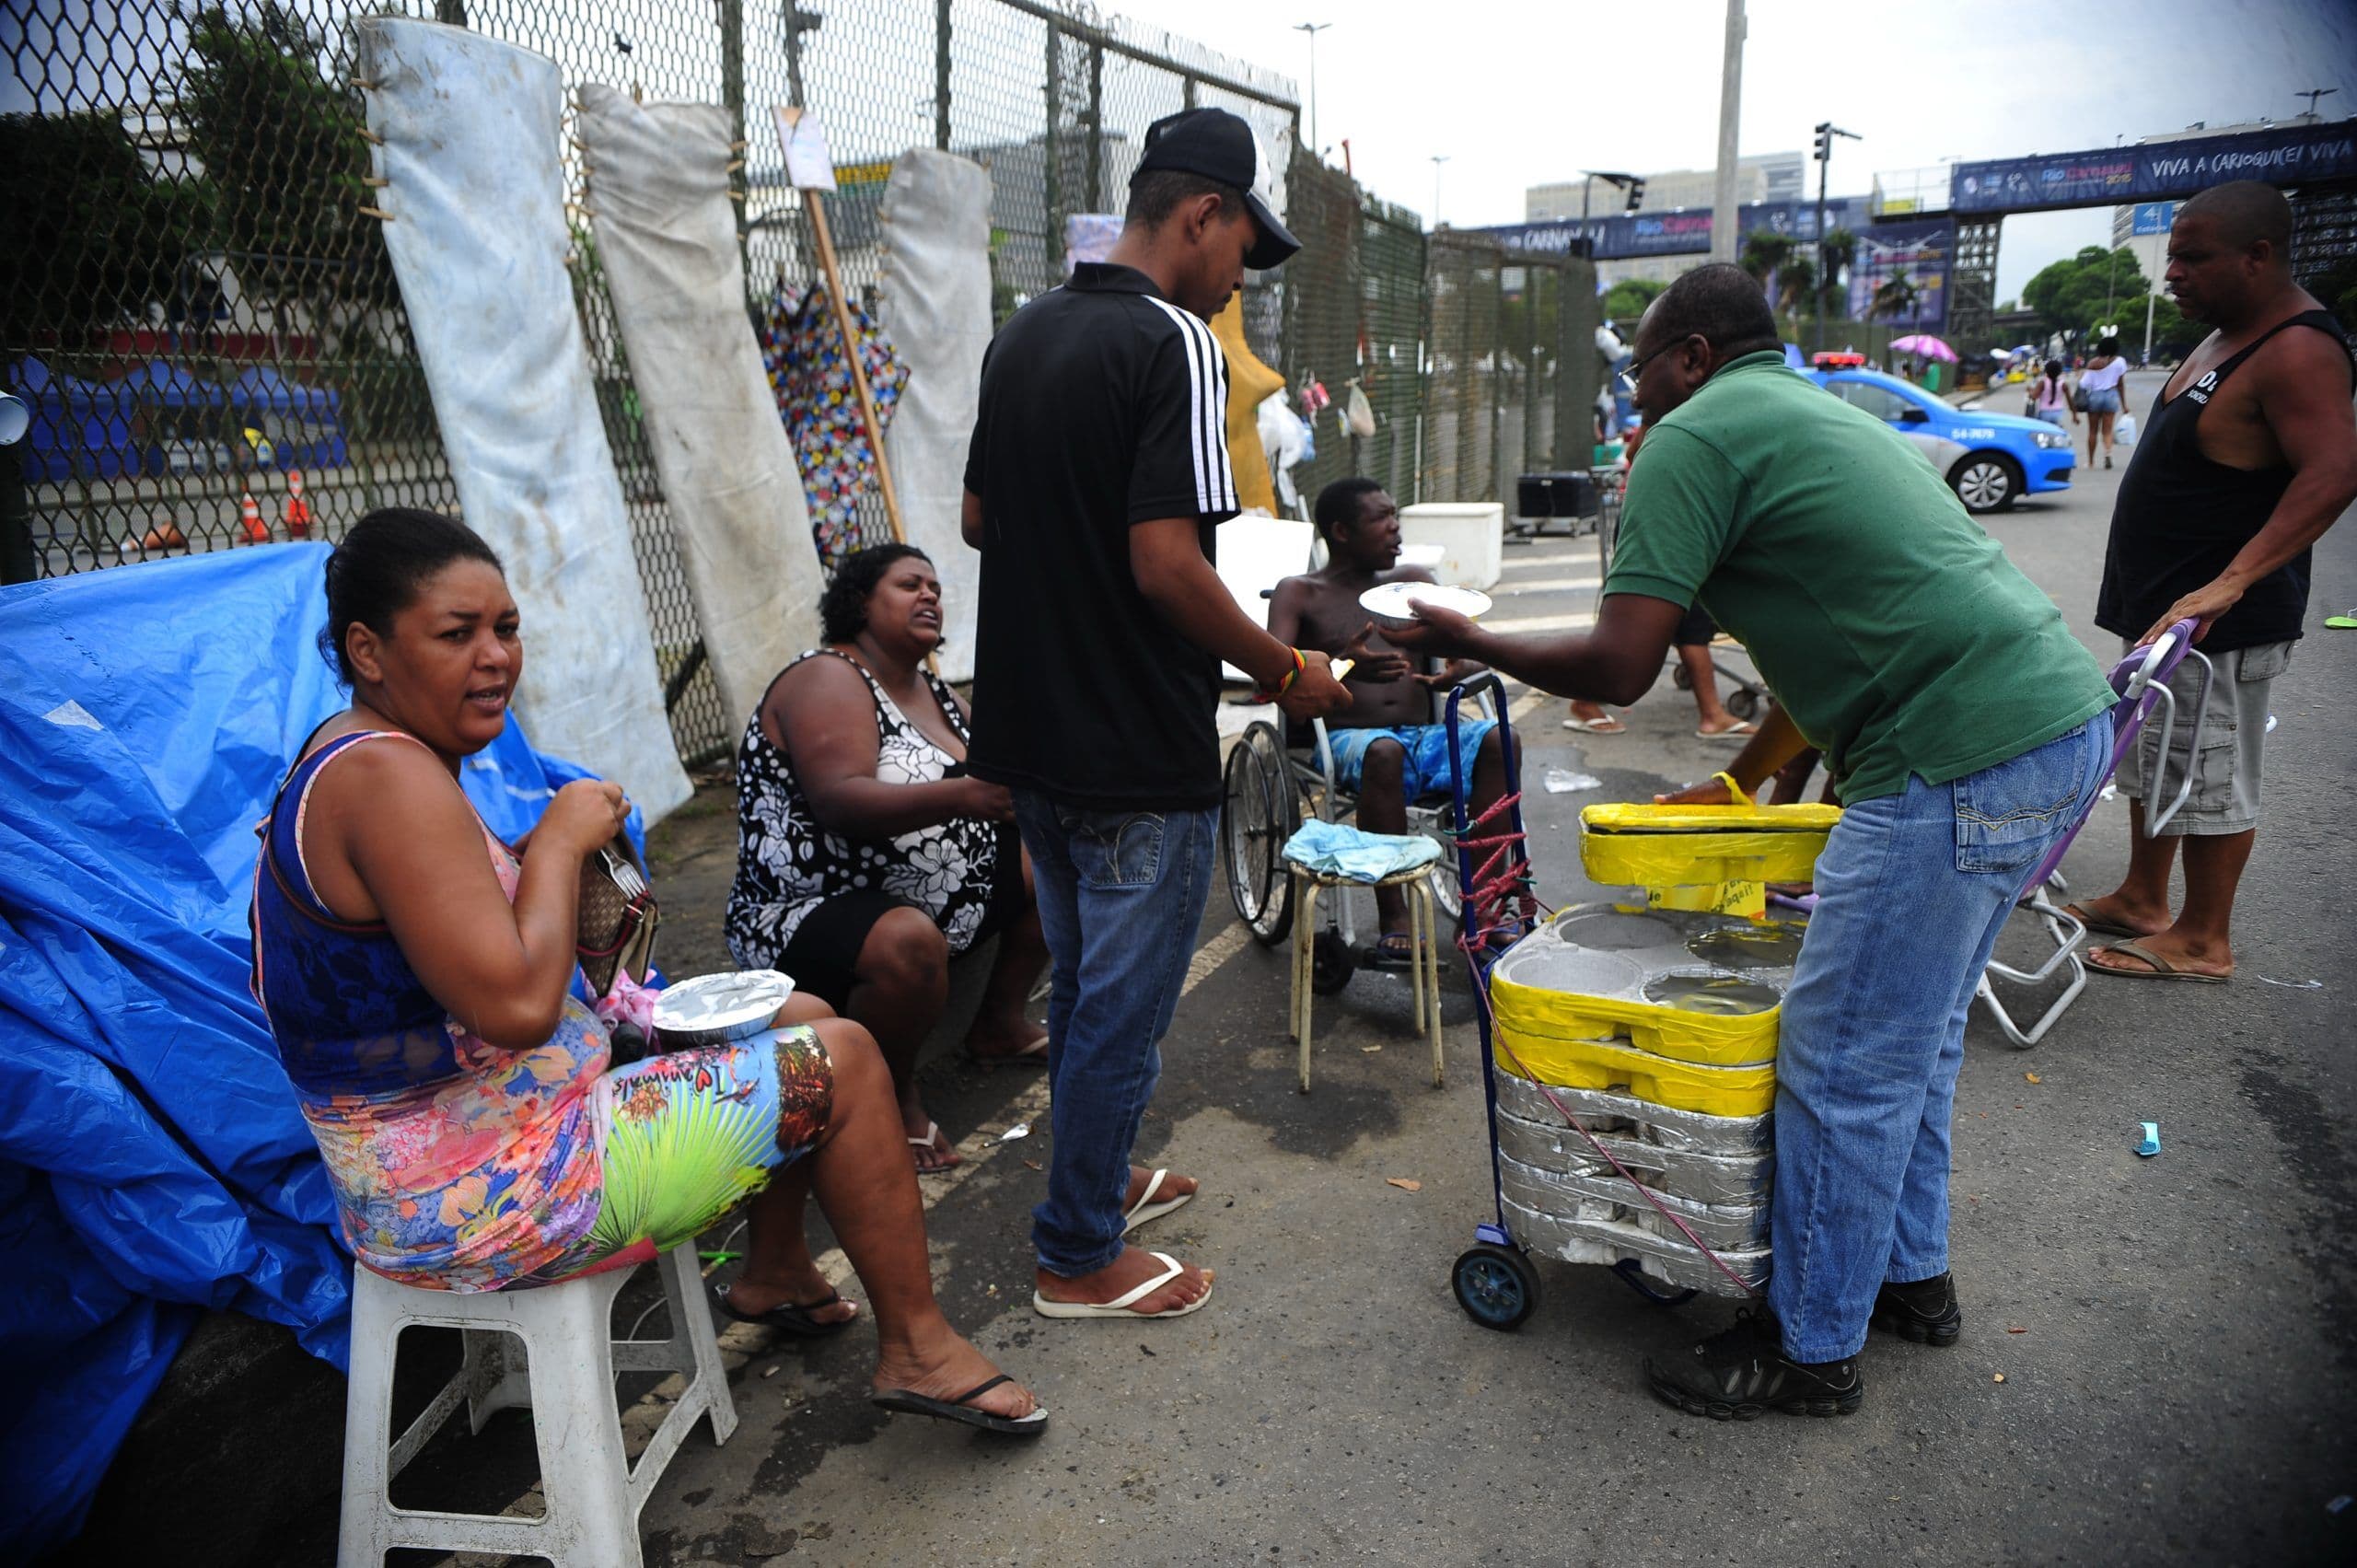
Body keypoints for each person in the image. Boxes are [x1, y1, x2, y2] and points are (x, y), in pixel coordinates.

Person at [1391, 264, 2117, 1420]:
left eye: (1641, 371)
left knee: (1837, 1062)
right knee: (1913, 1042)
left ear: (1689, 355)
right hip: (2049, 729)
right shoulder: (1810, 414)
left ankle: (1808, 1346)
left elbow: (1620, 665)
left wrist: (1467, 637)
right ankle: (1906, 1282)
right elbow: (1828, 642)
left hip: (1955, 750)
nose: (1637, 399)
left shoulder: (1696, 434)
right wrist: (1738, 777)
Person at [251, 509, 1042, 1434]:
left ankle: (775, 1267)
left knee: (800, 1010)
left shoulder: (374, 757)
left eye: (505, 628)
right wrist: (554, 842)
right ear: (368, 649)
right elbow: (511, 1003)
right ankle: (917, 1346)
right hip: (480, 1191)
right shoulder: (385, 776)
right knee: (849, 1060)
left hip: (483, 1138)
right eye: (456, 633)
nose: (496, 656)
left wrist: (557, 870)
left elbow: (464, 945)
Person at [962, 106, 1348, 1324]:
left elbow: (980, 518)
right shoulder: (1177, 342)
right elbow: (1168, 566)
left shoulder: (1022, 333)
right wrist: (1289, 673)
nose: (1241, 276)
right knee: (1122, 1007)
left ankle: (1100, 1176)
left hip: (1035, 731)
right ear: (1202, 214)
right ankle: (1075, 1251)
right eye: (1244, 248)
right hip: (1133, 742)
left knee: (1083, 986)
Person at [2073, 181, 2357, 984]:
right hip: (2170, 611)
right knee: (2156, 754)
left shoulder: (2297, 346)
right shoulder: (2226, 335)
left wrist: (2230, 581)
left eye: (2193, 257)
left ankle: (2203, 938)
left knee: (2212, 770)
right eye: (2174, 257)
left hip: (2218, 623)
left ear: (2257, 256)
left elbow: (2335, 471)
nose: (2174, 275)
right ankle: (2140, 897)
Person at [727, 543, 1051, 1173]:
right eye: (908, 584)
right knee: (907, 940)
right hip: (807, 909)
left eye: (934, 585)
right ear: (860, 602)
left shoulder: (934, 688)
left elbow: (999, 774)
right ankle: (894, 1099)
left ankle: (998, 1023)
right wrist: (968, 794)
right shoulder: (828, 675)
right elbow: (838, 799)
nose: (929, 593)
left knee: (1058, 862)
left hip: (919, 897)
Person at [1267, 478, 1505, 964]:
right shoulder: (1301, 593)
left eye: (1395, 514)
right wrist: (1346, 664)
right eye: (1381, 518)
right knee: (1384, 751)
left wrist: (1463, 665)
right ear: (1340, 531)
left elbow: (1476, 651)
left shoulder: (1414, 582)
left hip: (1424, 736)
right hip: (1344, 739)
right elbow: (1272, 679)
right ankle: (1394, 917)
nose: (1396, 527)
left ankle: (1483, 904)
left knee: (1501, 740)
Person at [2079, 334, 2131, 468]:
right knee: (2107, 430)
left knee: (2092, 431)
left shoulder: (2092, 363)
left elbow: (2084, 384)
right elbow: (2120, 384)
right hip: (2112, 395)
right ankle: (2108, 453)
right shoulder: (2120, 362)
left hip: (2095, 396)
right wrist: (2124, 405)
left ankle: (2091, 462)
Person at [2031, 357, 2078, 433]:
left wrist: (2031, 391)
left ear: (2046, 371)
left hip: (2044, 413)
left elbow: (2034, 397)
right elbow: (2070, 401)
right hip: (2058, 414)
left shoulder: (2042, 383)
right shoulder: (2063, 384)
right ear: (2060, 371)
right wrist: (2074, 415)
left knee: (2044, 436)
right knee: (2056, 435)